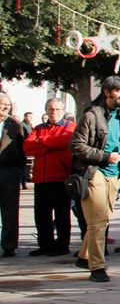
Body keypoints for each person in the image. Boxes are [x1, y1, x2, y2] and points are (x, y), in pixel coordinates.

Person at [69, 76, 120, 283]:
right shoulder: (92, 116)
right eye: (119, 90)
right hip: (94, 172)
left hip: (114, 174)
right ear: (107, 92)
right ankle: (97, 267)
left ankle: (84, 257)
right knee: (97, 222)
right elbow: (76, 145)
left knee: (103, 220)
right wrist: (104, 156)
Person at [22, 97, 74, 256]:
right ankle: (45, 244)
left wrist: (41, 141)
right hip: (41, 178)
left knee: (61, 214)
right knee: (41, 215)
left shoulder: (69, 126)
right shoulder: (39, 127)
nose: (54, 112)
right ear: (46, 111)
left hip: (60, 177)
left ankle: (62, 245)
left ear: (63, 111)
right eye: (51, 109)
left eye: (57, 109)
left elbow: (64, 141)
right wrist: (51, 144)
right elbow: (28, 147)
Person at [0, 93, 26, 256]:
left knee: (9, 210)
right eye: (1, 104)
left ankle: (9, 245)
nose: (3, 108)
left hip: (8, 171)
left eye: (6, 105)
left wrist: (17, 170)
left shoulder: (14, 124)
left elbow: (23, 148)